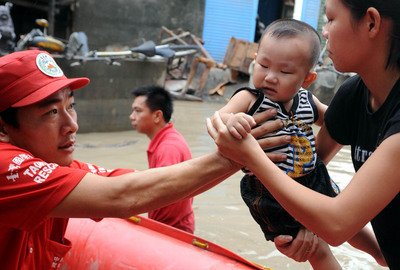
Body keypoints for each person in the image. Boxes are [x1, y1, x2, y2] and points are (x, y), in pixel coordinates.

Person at [0, 49, 290, 269]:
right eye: (51, 112)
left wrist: (240, 158)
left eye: (71, 106)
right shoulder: (7, 167)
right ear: (4, 127)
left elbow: (129, 186)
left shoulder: (166, 146)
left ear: (157, 116)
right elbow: (124, 195)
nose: (72, 125)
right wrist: (235, 158)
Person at [207, 0, 399, 268]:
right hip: (286, 190)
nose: (325, 31)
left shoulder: (308, 101)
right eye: (264, 65)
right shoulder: (354, 96)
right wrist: (306, 220)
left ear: (371, 22)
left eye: (331, 18)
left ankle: (379, 254)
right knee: (318, 247)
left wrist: (251, 156)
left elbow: (337, 222)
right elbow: (314, 161)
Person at [130, 85, 195, 233]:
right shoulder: (167, 138)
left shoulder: (168, 147)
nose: (132, 116)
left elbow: (162, 190)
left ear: (157, 116)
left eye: (138, 111)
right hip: (172, 225)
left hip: (172, 229)